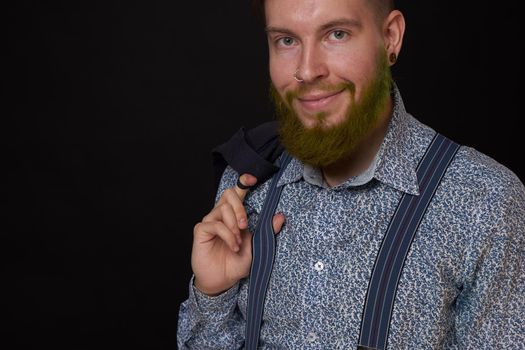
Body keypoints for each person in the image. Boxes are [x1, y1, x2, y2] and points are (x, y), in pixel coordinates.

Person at [177, 0, 525, 348]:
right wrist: (213, 294)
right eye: (286, 40)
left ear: (390, 37)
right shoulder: (247, 182)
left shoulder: (484, 203)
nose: (307, 70)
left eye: (337, 34)